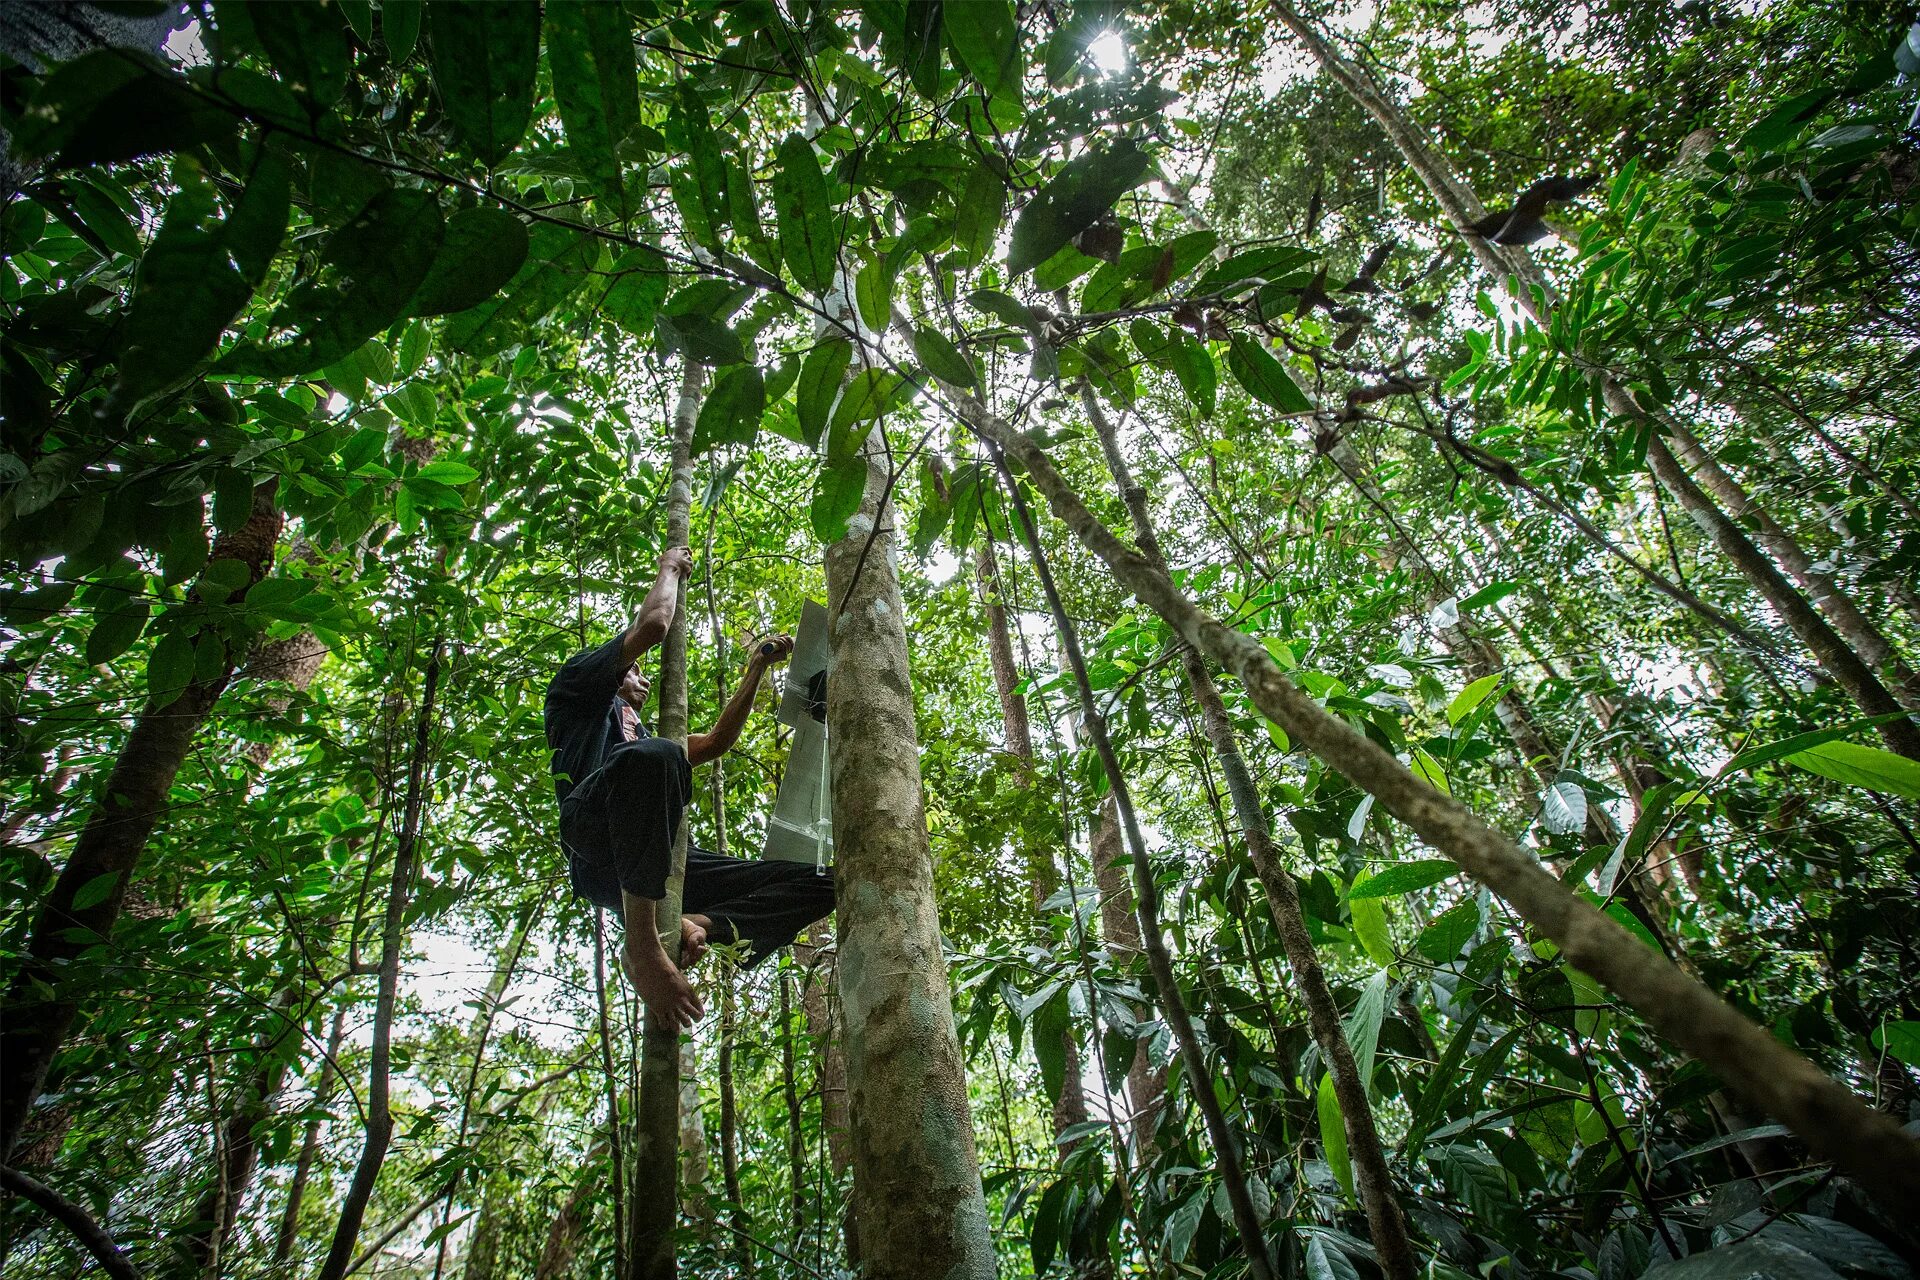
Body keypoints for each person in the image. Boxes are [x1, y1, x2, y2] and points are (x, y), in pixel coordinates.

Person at [545, 545, 836, 1031]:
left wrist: (756, 670)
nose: (639, 676)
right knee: (656, 757)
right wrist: (670, 568)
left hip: (658, 857)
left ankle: (699, 925)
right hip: (596, 837)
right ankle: (643, 948)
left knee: (825, 881)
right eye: (633, 670)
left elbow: (718, 742)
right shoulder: (578, 689)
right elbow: (654, 627)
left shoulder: (642, 734)